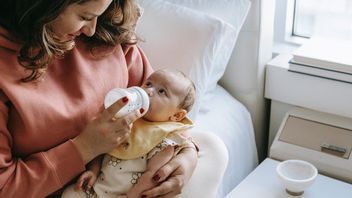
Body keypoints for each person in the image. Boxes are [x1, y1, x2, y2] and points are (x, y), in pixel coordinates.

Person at [61, 69, 197, 198]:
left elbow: (153, 175)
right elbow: (101, 148)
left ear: (177, 115)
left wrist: (131, 196)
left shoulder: (165, 139)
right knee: (70, 193)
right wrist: (93, 171)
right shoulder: (125, 118)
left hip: (125, 194)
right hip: (96, 189)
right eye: (149, 84)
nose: (149, 91)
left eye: (162, 91)